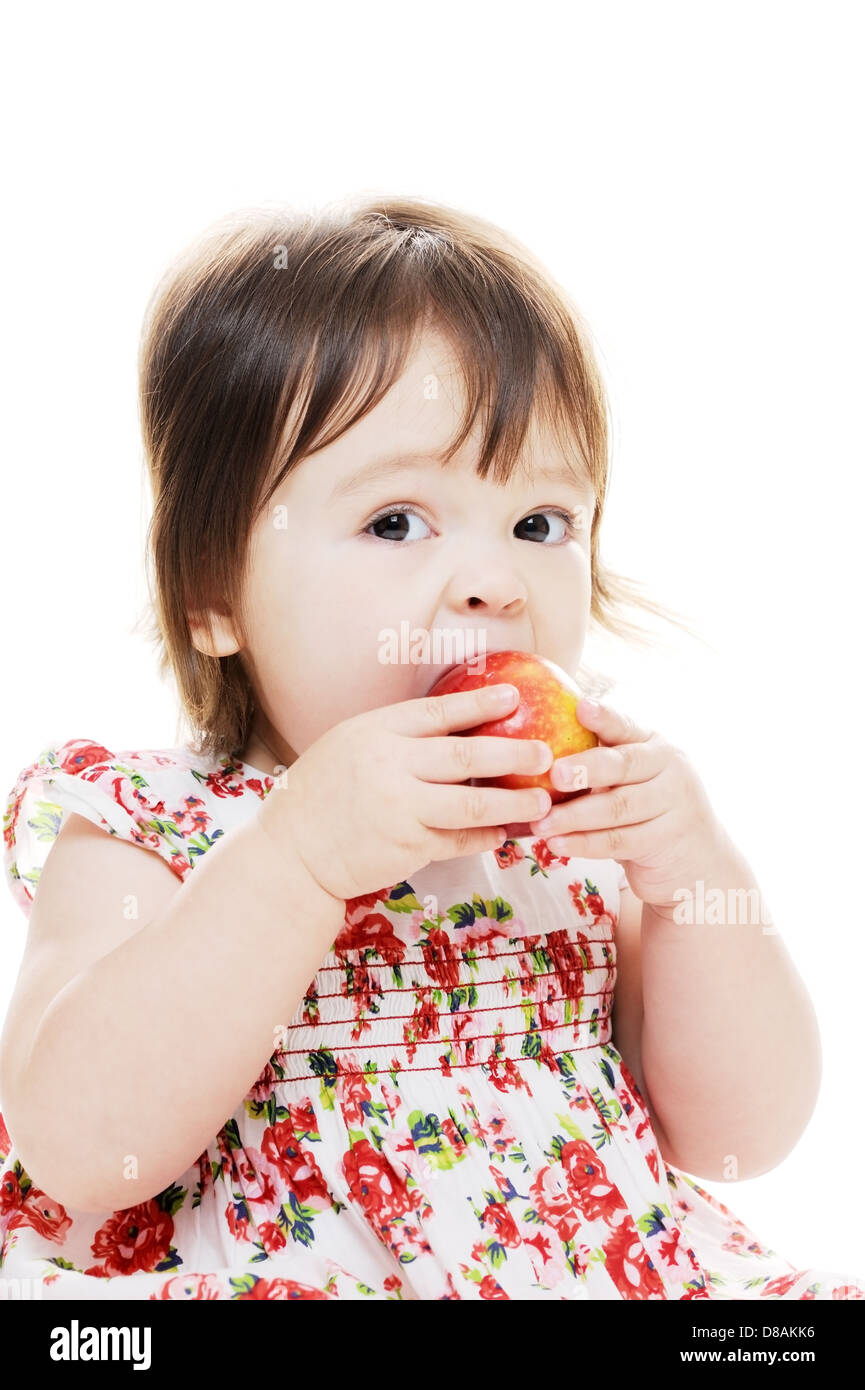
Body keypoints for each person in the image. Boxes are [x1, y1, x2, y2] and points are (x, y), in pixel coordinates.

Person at [1, 196, 862, 1300]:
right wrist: (297, 861)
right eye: (398, 521)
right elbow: (79, 1143)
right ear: (212, 592)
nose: (492, 582)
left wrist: (695, 881)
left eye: (539, 525)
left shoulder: (570, 830)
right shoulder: (151, 829)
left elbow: (742, 1133)